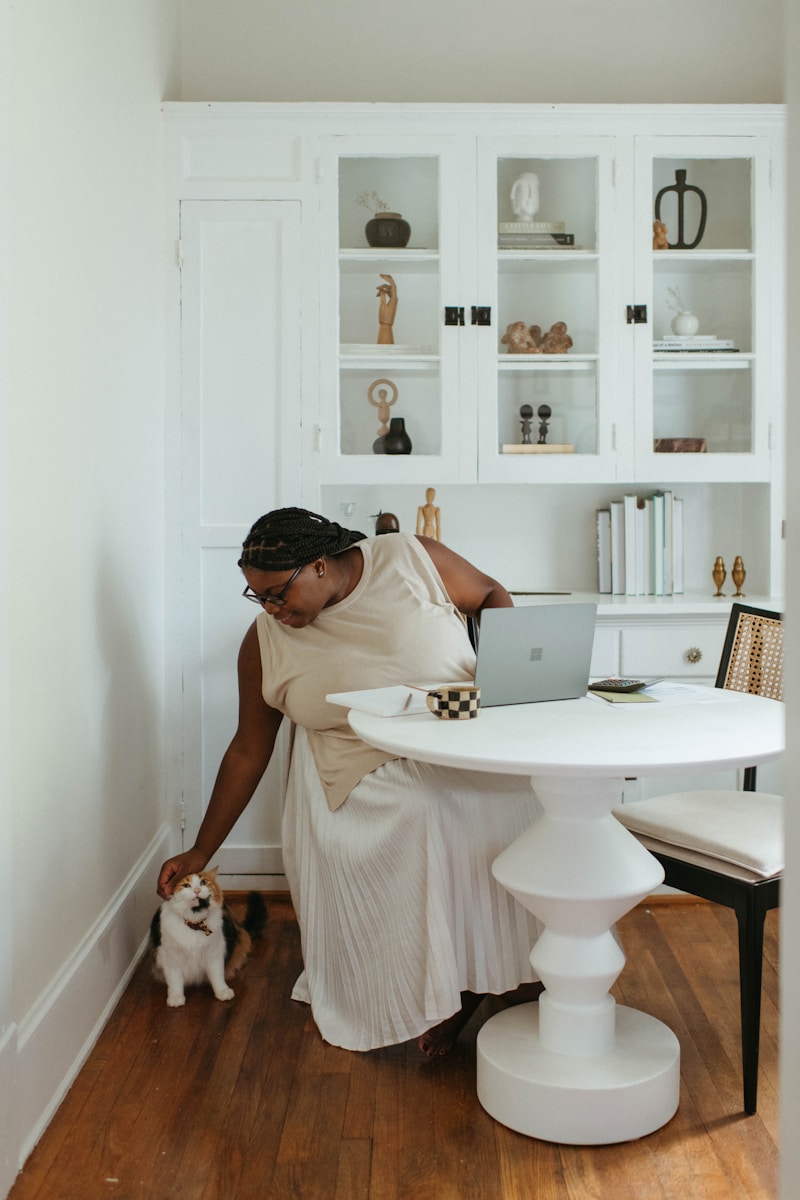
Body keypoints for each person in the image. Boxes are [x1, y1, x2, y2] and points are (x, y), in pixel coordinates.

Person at [157, 507, 542, 1055]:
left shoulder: (412, 559)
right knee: (426, 810)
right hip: (360, 765)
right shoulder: (264, 641)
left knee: (528, 797)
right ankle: (449, 990)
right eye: (257, 597)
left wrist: (508, 680)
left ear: (319, 565)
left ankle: (503, 969)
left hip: (465, 739)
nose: (270, 609)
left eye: (277, 594)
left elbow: (489, 594)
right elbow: (248, 749)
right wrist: (201, 849)